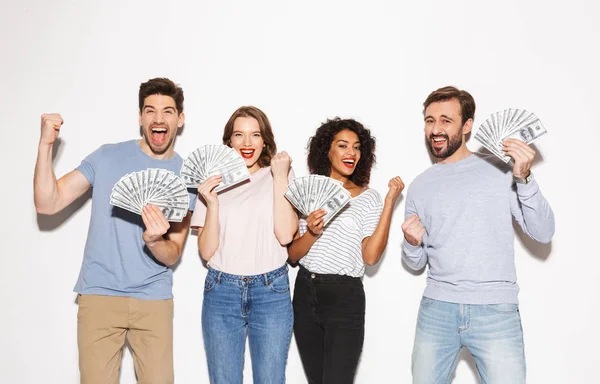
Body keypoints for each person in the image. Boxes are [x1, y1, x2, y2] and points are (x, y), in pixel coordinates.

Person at [33, 77, 194, 384]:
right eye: (150, 111)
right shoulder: (106, 157)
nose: (158, 118)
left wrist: (154, 239)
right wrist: (45, 146)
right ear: (140, 118)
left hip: (152, 300)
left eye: (168, 111)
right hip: (100, 296)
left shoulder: (186, 176)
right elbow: (48, 203)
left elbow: (172, 253)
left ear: (180, 119)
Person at [401, 86, 555, 384]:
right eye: (430, 120)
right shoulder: (420, 185)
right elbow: (416, 263)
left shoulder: (500, 168)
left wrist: (524, 176)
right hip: (437, 309)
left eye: (446, 120)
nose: (435, 129)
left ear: (467, 125)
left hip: (495, 310)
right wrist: (411, 243)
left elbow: (543, 232)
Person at [288, 117, 404, 384]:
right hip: (305, 292)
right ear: (326, 150)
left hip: (344, 298)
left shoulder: (368, 197)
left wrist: (388, 203)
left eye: (357, 147)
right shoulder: (309, 190)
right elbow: (293, 255)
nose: (351, 153)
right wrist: (313, 232)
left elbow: (371, 257)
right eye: (342, 145)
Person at [191, 106, 297, 384]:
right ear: (229, 141)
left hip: (271, 290)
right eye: (239, 135)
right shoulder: (211, 181)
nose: (247, 143)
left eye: (255, 135)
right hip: (221, 290)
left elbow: (286, 235)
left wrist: (281, 176)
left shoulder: (280, 174)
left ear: (265, 140)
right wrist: (211, 203)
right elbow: (206, 251)